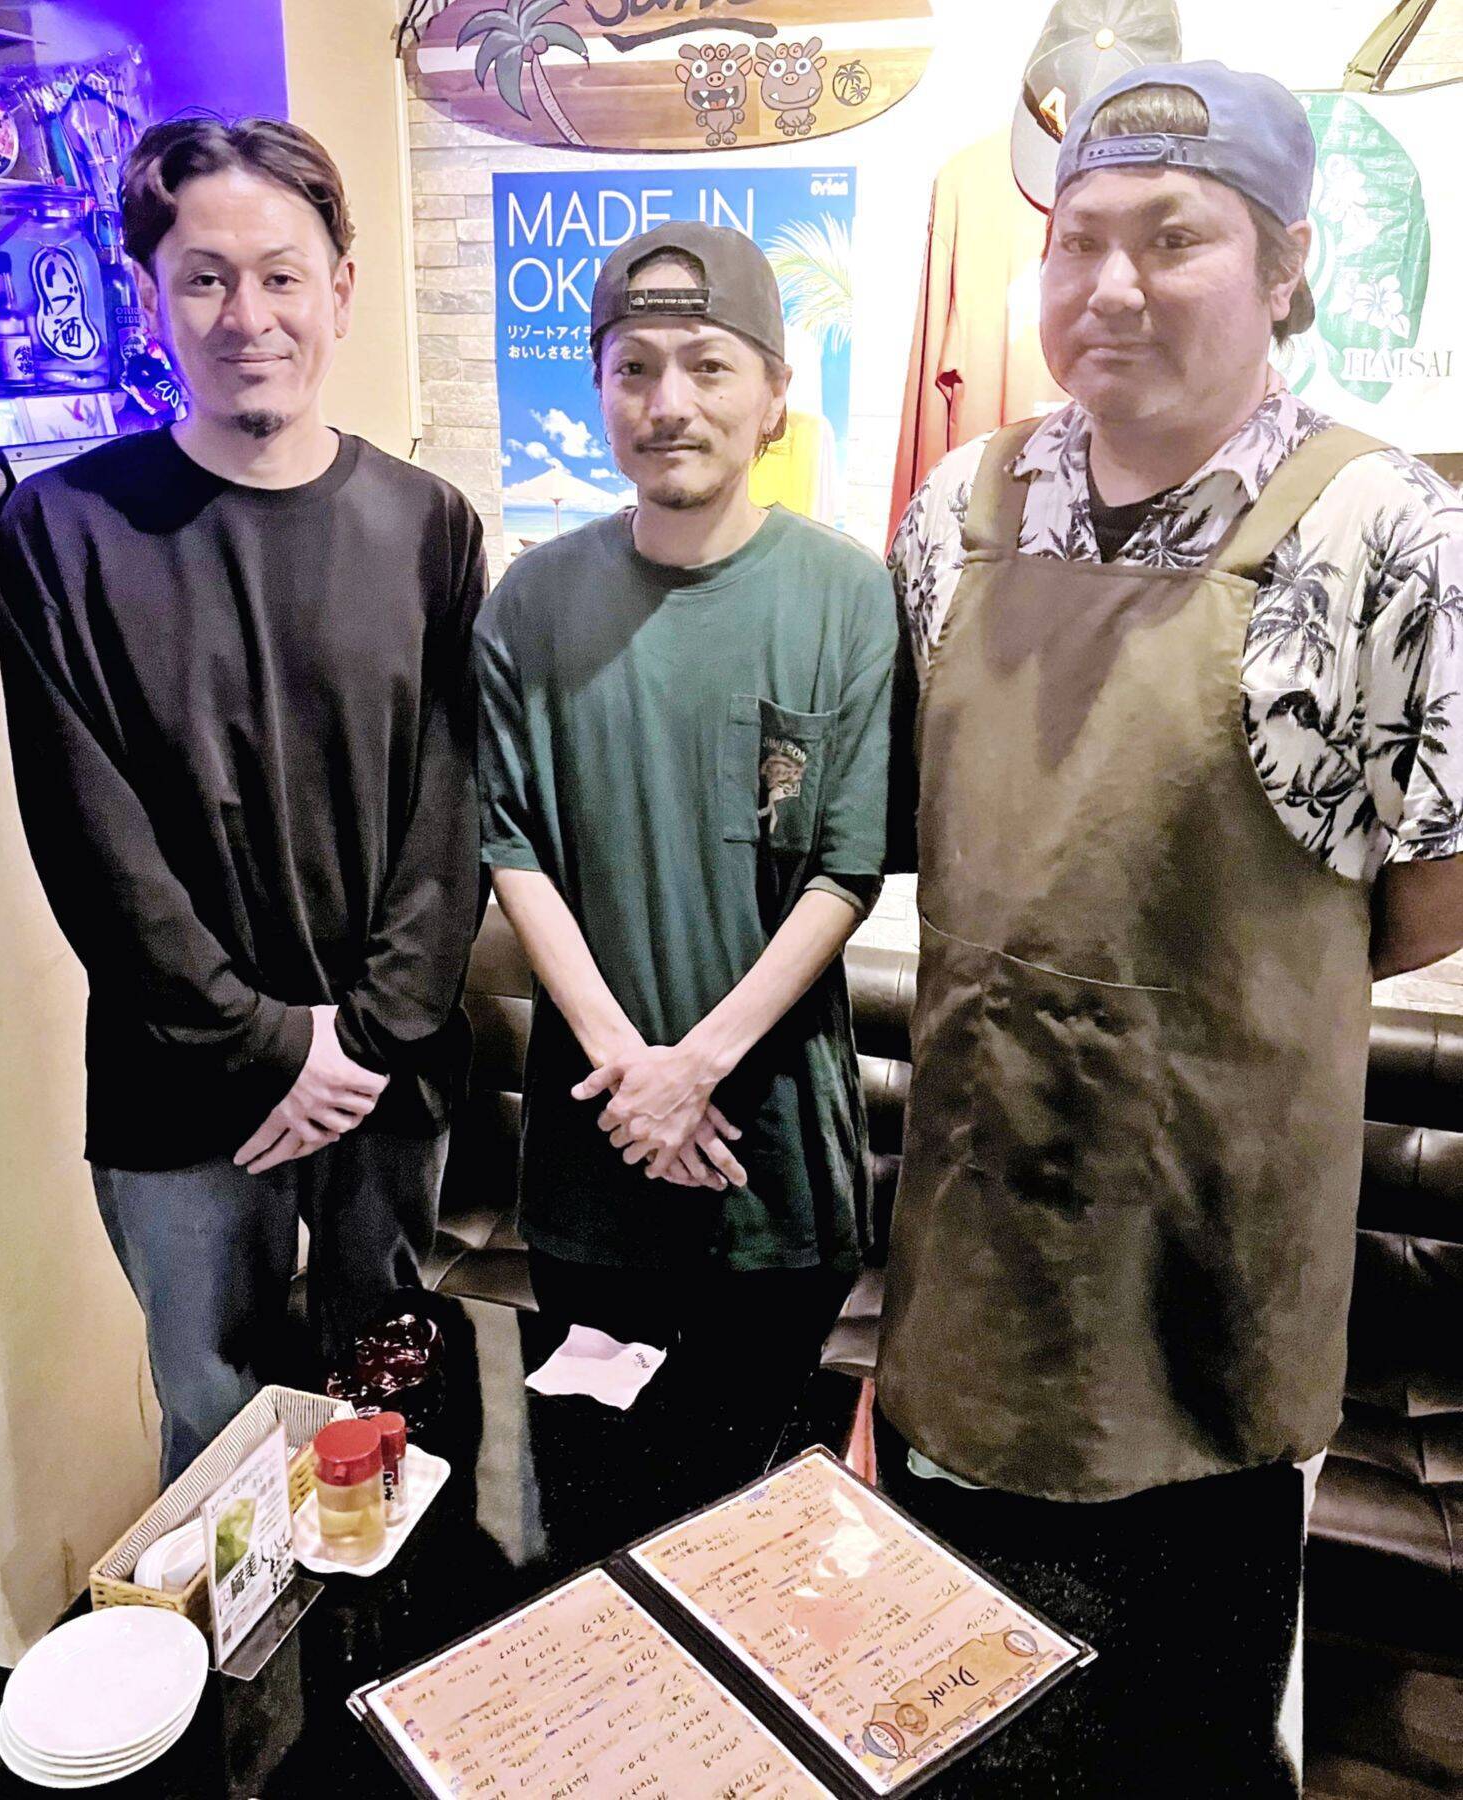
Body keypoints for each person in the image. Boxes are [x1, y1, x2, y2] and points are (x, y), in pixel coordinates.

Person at [879, 62, 1463, 1794]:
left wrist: (1233, 989)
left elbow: (1435, 882)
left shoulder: (1387, 532)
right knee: (958, 1714)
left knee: (1186, 1740)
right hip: (977, 1229)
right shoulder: (956, 512)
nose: (1111, 284)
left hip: (1212, 1239)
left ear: (1284, 264)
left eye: (1174, 237)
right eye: (1077, 241)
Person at [0, 118, 487, 1485]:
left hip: (385, 1076)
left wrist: (364, 1038)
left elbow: (454, 815)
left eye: (281, 275)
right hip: (179, 1085)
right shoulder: (65, 533)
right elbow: (89, 840)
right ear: (149, 293)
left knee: (388, 1416)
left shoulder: (431, 526)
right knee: (219, 1443)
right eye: (204, 278)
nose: (246, 315)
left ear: (341, 287)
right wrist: (268, 1044)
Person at [475, 223, 895, 1527]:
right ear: (599, 390)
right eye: (634, 367)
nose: (670, 402)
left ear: (773, 394)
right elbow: (512, 845)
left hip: (778, 1173)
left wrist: (695, 1068)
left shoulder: (845, 595)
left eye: (709, 365)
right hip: (592, 1169)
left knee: (760, 1534)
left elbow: (845, 869)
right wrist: (632, 1071)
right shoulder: (531, 603)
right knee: (588, 1519)